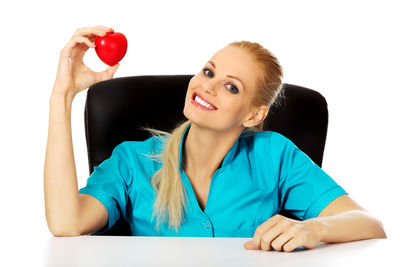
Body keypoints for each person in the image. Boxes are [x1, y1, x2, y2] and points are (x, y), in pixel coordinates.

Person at [44, 25, 386, 253]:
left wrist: (316, 229)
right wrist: (62, 96)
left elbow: (369, 224)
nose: (207, 86)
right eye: (208, 72)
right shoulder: (133, 161)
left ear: (253, 115)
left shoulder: (275, 155)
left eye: (230, 86)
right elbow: (65, 222)